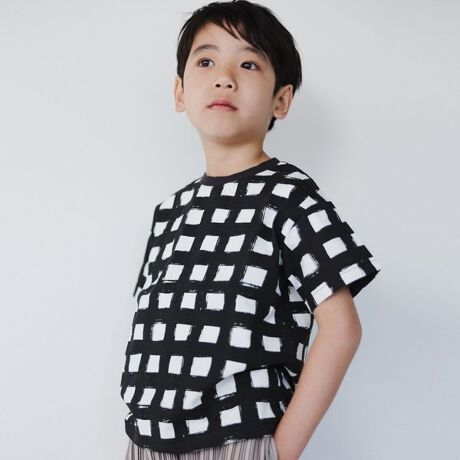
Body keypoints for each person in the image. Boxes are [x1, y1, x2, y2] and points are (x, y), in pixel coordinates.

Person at [120, 1, 382, 459]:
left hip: (235, 441)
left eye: (248, 64)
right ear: (180, 92)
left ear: (281, 100)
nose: (224, 77)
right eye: (206, 62)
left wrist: (279, 450)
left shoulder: (288, 195)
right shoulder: (169, 213)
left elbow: (341, 328)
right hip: (145, 442)